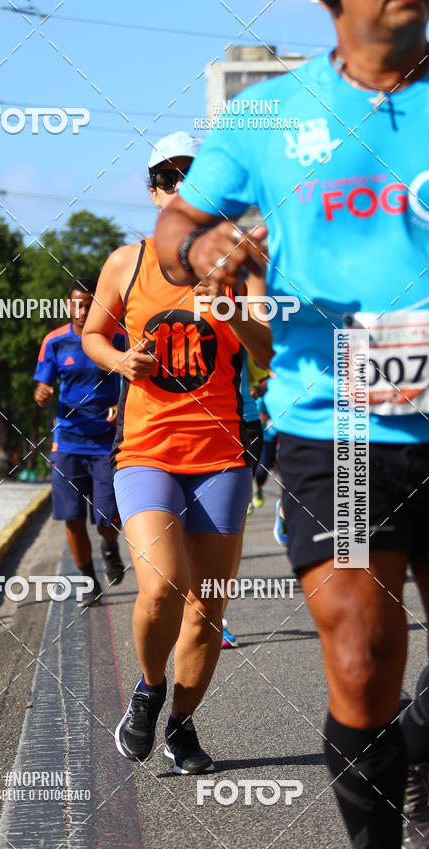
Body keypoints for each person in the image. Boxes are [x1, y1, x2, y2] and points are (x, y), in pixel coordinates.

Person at [154, 3, 429, 849]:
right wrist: (204, 243)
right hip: (339, 428)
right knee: (363, 654)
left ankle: (416, 747)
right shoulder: (268, 114)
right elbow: (175, 232)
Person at [82, 132, 272, 774]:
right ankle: (148, 690)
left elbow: (268, 351)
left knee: (207, 606)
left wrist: (233, 311)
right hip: (145, 452)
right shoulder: (125, 263)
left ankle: (183, 729)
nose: (181, 188)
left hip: (219, 457)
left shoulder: (243, 261)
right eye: (169, 178)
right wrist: (118, 359)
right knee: (162, 585)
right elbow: (93, 333)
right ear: (155, 193)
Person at [34, 277, 126, 607]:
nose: (83, 311)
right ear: (67, 306)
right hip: (68, 443)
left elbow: (132, 380)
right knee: (72, 518)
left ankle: (110, 545)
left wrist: (120, 405)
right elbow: (42, 386)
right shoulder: (54, 341)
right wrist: (42, 393)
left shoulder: (118, 338)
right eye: (77, 304)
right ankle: (89, 582)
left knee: (107, 519)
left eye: (89, 304)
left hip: (106, 444)